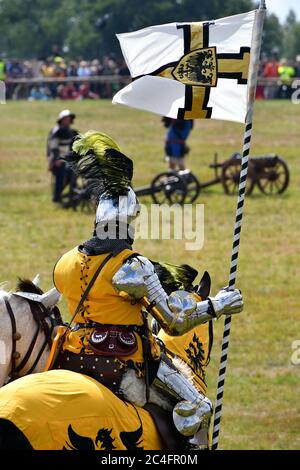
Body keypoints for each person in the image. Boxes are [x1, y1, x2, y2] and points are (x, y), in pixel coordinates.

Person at [52, 131, 243, 449]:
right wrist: (217, 305)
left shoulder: (64, 263)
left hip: (75, 355)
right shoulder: (133, 266)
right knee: (199, 408)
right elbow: (174, 322)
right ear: (128, 221)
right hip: (127, 361)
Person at [47, 110, 79, 203]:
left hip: (65, 159)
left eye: (69, 119)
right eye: (66, 119)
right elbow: (53, 147)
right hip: (57, 159)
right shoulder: (56, 131)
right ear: (61, 120)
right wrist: (57, 159)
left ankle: (68, 193)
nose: (68, 120)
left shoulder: (71, 131)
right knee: (60, 178)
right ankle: (56, 198)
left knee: (72, 175)